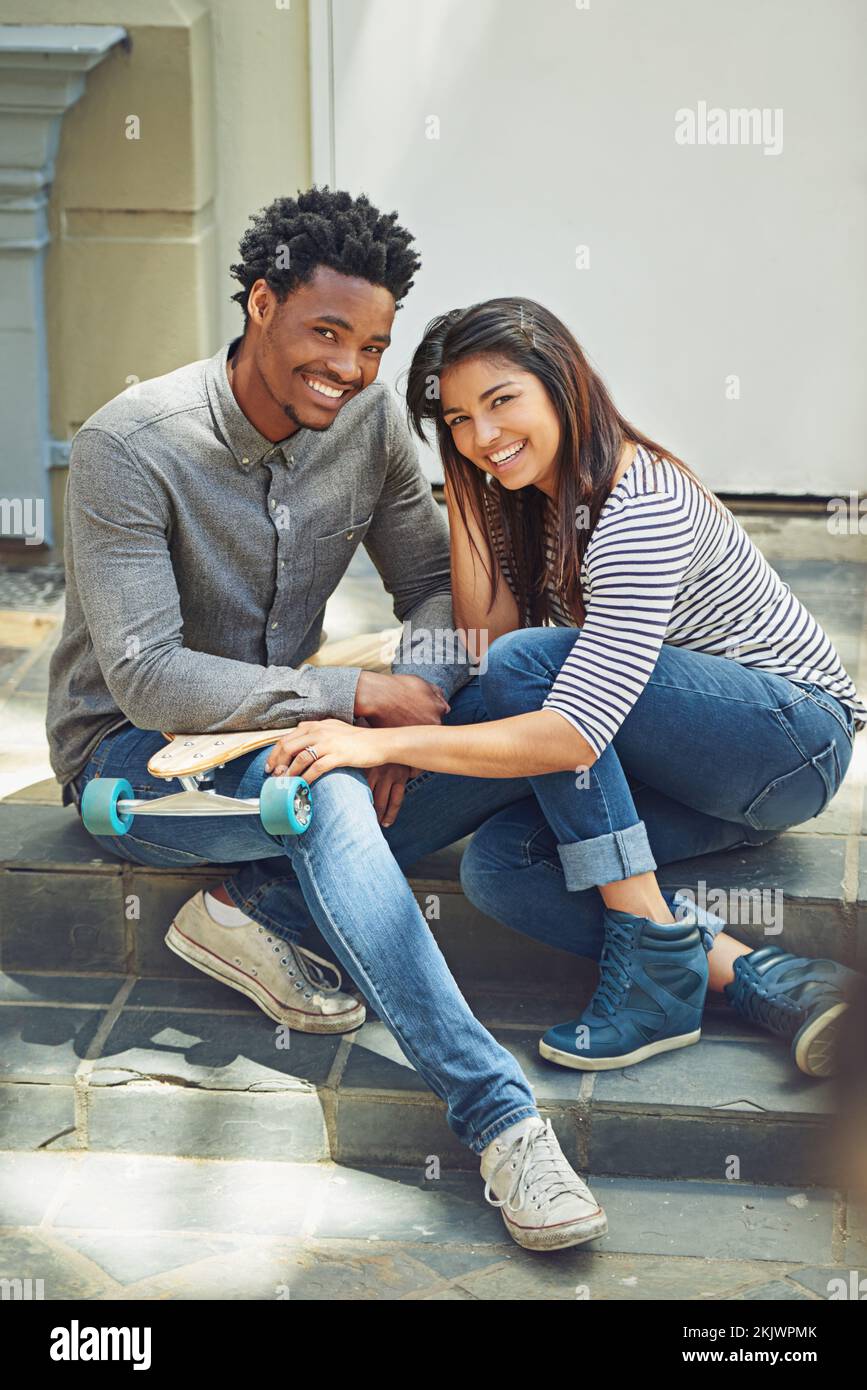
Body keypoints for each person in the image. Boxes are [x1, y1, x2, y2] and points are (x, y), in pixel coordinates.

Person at [47, 193, 611, 1253]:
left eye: (374, 346)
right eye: (326, 334)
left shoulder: (364, 426)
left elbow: (436, 585)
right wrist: (352, 704)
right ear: (261, 304)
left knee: (526, 682)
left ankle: (255, 907)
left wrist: (409, 707)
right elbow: (148, 678)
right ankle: (502, 1120)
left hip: (292, 738)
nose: (350, 369)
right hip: (136, 763)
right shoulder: (128, 446)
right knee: (324, 782)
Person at [265, 296, 867, 1081]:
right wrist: (469, 486)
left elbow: (564, 723)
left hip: (784, 744)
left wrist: (385, 740)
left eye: (500, 402)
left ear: (562, 383)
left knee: (529, 668)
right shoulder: (526, 498)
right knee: (500, 866)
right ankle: (760, 978)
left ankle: (280, 886)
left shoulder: (638, 503)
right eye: (455, 421)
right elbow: (482, 640)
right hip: (673, 769)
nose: (484, 436)